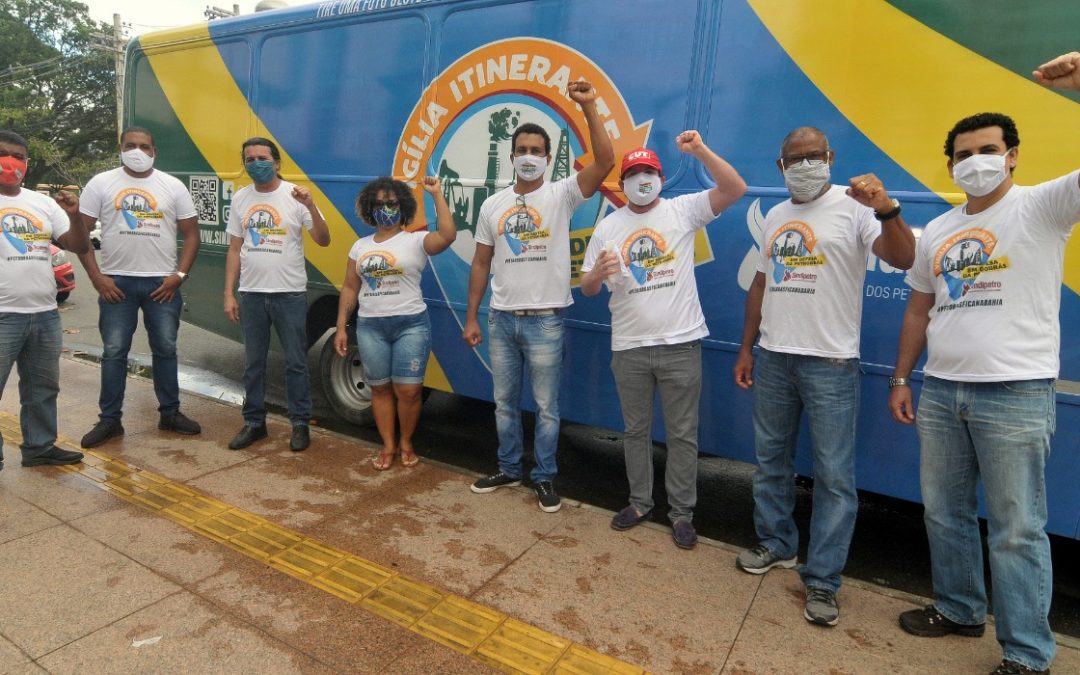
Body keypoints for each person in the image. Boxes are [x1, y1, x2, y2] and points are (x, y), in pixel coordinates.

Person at [889, 52, 1080, 675]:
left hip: (1016, 394)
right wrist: (901, 377)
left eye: (988, 149)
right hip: (943, 392)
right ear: (950, 163)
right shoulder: (939, 230)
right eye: (963, 153)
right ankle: (960, 609)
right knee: (943, 512)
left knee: (1017, 529)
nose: (976, 161)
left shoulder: (1044, 207)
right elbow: (918, 310)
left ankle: (1027, 654)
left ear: (1014, 154)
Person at [732, 126, 916, 626]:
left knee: (835, 479)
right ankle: (776, 543)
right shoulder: (775, 215)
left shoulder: (855, 208)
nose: (806, 164)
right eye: (796, 158)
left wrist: (886, 208)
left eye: (815, 156)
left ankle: (823, 580)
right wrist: (747, 347)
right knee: (771, 462)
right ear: (780, 166)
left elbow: (903, 258)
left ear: (830, 157)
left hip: (831, 363)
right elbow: (762, 284)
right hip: (773, 357)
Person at [580, 133, 747, 549]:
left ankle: (682, 513)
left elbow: (734, 189)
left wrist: (702, 152)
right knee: (635, 431)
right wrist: (597, 274)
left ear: (660, 176)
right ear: (624, 182)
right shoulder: (608, 226)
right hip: (629, 347)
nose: (642, 179)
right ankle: (639, 502)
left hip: (681, 344)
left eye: (648, 172)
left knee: (682, 434)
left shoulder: (682, 210)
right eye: (633, 174)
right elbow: (586, 288)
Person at [463, 78, 615, 513]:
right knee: (504, 404)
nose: (529, 157)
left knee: (547, 408)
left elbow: (605, 161)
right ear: (511, 157)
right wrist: (472, 316)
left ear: (548, 159)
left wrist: (589, 105)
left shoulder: (562, 194)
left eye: (537, 151)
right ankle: (508, 468)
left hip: (546, 320)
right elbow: (480, 263)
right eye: (522, 150)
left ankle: (544, 477)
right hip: (501, 319)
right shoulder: (492, 205)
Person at [76, 126, 201, 448]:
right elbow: (80, 237)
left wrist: (179, 275)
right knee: (114, 352)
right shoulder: (101, 183)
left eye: (145, 146)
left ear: (154, 151)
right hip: (116, 282)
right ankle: (110, 421)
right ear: (120, 148)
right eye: (131, 145)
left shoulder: (172, 186)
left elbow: (191, 235)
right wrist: (97, 277)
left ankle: (170, 414)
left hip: (163, 284)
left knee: (166, 350)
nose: (138, 151)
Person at [335, 175, 455, 469]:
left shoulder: (415, 240)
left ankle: (406, 442)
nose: (385, 209)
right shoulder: (359, 247)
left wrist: (437, 194)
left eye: (391, 203)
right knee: (379, 388)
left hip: (411, 325)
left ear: (402, 207)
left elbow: (448, 235)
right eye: (379, 204)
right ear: (369, 208)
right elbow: (350, 287)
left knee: (409, 391)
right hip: (371, 326)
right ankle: (388, 446)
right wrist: (341, 325)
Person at [223, 137, 330, 452]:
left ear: (277, 162)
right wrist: (229, 294)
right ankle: (254, 423)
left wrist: (310, 205)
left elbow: (323, 239)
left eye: (262, 157)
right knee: (253, 363)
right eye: (249, 159)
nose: (256, 163)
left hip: (289, 294)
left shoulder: (296, 197)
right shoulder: (241, 199)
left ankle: (299, 424)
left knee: (296, 362)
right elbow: (234, 248)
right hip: (252, 295)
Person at [0, 130, 88, 469]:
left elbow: (78, 245)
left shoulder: (42, 203)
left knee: (42, 387)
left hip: (44, 314)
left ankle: (39, 447)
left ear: (26, 163)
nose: (11, 161)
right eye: (4, 153)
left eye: (18, 156)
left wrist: (76, 214)